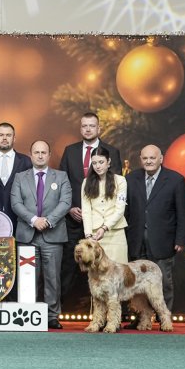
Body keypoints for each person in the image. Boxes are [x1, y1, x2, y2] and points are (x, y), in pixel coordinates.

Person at [58, 112, 122, 306]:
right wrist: (69, 208)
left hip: (101, 224)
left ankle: (106, 311)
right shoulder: (70, 151)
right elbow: (62, 183)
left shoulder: (111, 151)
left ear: (99, 128)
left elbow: (114, 187)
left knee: (105, 269)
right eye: (84, 126)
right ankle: (61, 311)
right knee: (69, 267)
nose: (88, 129)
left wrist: (102, 222)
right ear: (80, 128)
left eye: (92, 126)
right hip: (74, 219)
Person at [11, 141, 72, 329]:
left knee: (53, 278)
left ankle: (52, 316)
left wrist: (47, 221)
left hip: (53, 235)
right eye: (36, 152)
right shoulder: (20, 177)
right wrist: (33, 220)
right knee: (27, 278)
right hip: (27, 236)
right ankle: (27, 314)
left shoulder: (61, 176)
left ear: (49, 155)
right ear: (30, 155)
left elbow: (65, 202)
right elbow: (15, 203)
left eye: (43, 152)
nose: (39, 155)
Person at [125, 145, 185, 311]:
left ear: (161, 159)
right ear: (141, 160)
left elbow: (183, 213)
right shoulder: (131, 179)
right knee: (137, 283)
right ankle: (141, 318)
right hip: (136, 240)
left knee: (164, 282)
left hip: (163, 241)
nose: (149, 161)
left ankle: (164, 318)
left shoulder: (176, 180)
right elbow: (125, 210)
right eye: (145, 158)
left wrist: (181, 239)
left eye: (152, 158)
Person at [0, 122, 32, 236]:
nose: (4, 138)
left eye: (8, 135)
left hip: (20, 223)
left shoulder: (26, 162)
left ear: (14, 138)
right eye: (1, 135)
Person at [81, 146, 129, 264]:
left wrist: (105, 227)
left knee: (119, 270)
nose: (98, 166)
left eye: (101, 162)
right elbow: (86, 211)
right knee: (97, 272)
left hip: (116, 234)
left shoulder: (120, 180)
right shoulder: (86, 182)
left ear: (109, 162)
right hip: (94, 236)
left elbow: (120, 210)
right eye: (94, 163)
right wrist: (88, 235)